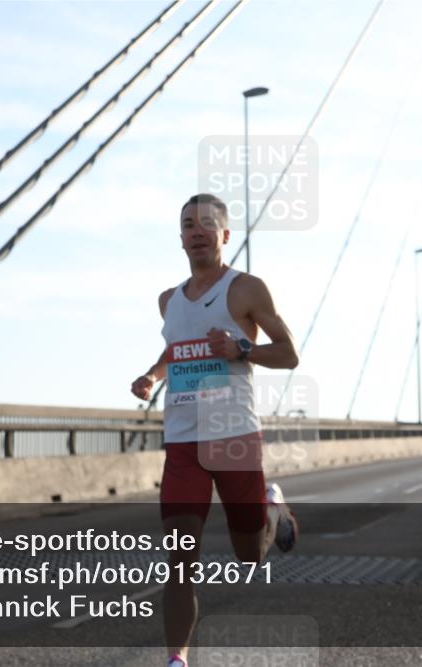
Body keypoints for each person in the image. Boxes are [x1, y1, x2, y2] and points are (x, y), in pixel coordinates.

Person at [130, 193, 300, 667]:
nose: (197, 231)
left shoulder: (245, 289)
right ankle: (176, 660)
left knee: (250, 557)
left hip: (234, 438)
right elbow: (173, 353)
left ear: (225, 235)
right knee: (180, 561)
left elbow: (289, 354)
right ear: (180, 238)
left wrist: (241, 349)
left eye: (207, 223)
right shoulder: (168, 301)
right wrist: (152, 377)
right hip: (182, 443)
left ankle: (272, 506)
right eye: (188, 224)